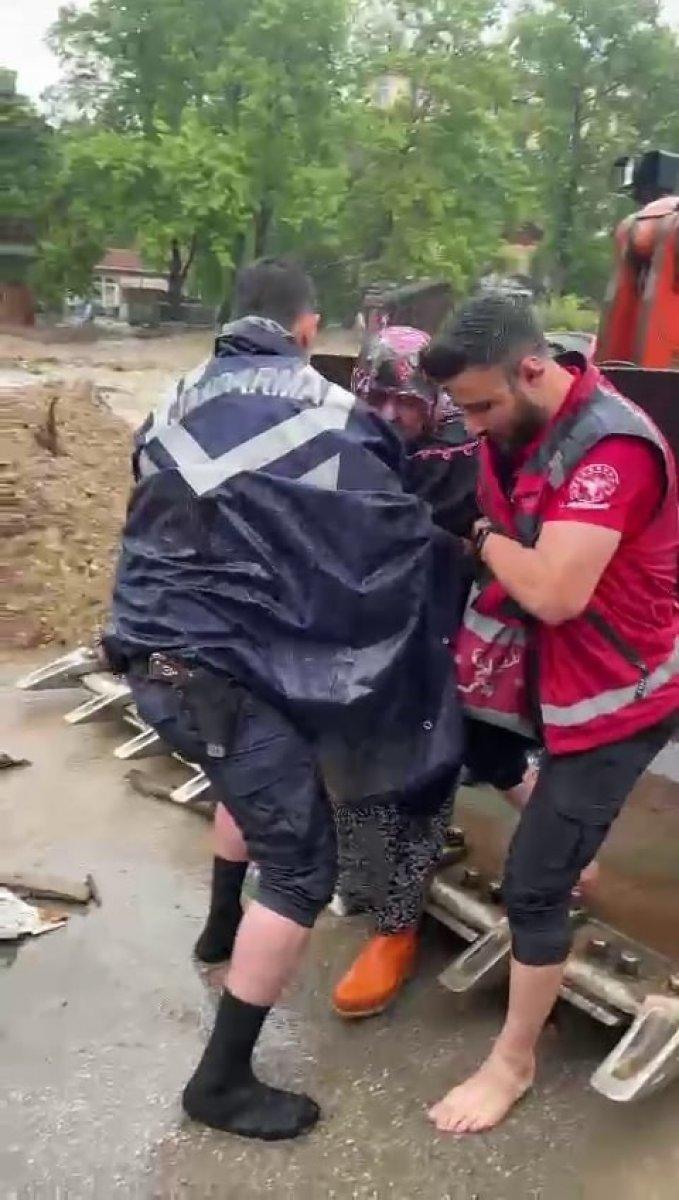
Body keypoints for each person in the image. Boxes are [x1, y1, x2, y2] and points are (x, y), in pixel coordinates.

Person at [104, 258, 463, 1141]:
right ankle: (219, 1082)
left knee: (252, 777)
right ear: (310, 328)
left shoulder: (172, 396)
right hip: (218, 666)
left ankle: (221, 930)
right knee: (302, 866)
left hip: (153, 646)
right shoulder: (330, 411)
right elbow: (381, 534)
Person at [420, 293, 679, 1134]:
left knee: (530, 883)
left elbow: (556, 592)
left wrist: (476, 537)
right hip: (549, 674)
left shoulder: (610, 449)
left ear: (534, 368)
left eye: (482, 404)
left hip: (620, 696)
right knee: (470, 756)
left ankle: (511, 1061)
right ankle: (577, 859)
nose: (473, 424)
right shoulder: (519, 425)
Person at [331, 326, 537, 1019]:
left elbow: (493, 540)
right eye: (379, 398)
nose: (392, 414)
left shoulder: (465, 448)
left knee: (428, 775)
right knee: (352, 765)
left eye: (406, 401)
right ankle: (362, 890)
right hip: (365, 629)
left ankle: (396, 928)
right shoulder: (347, 438)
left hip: (446, 630)